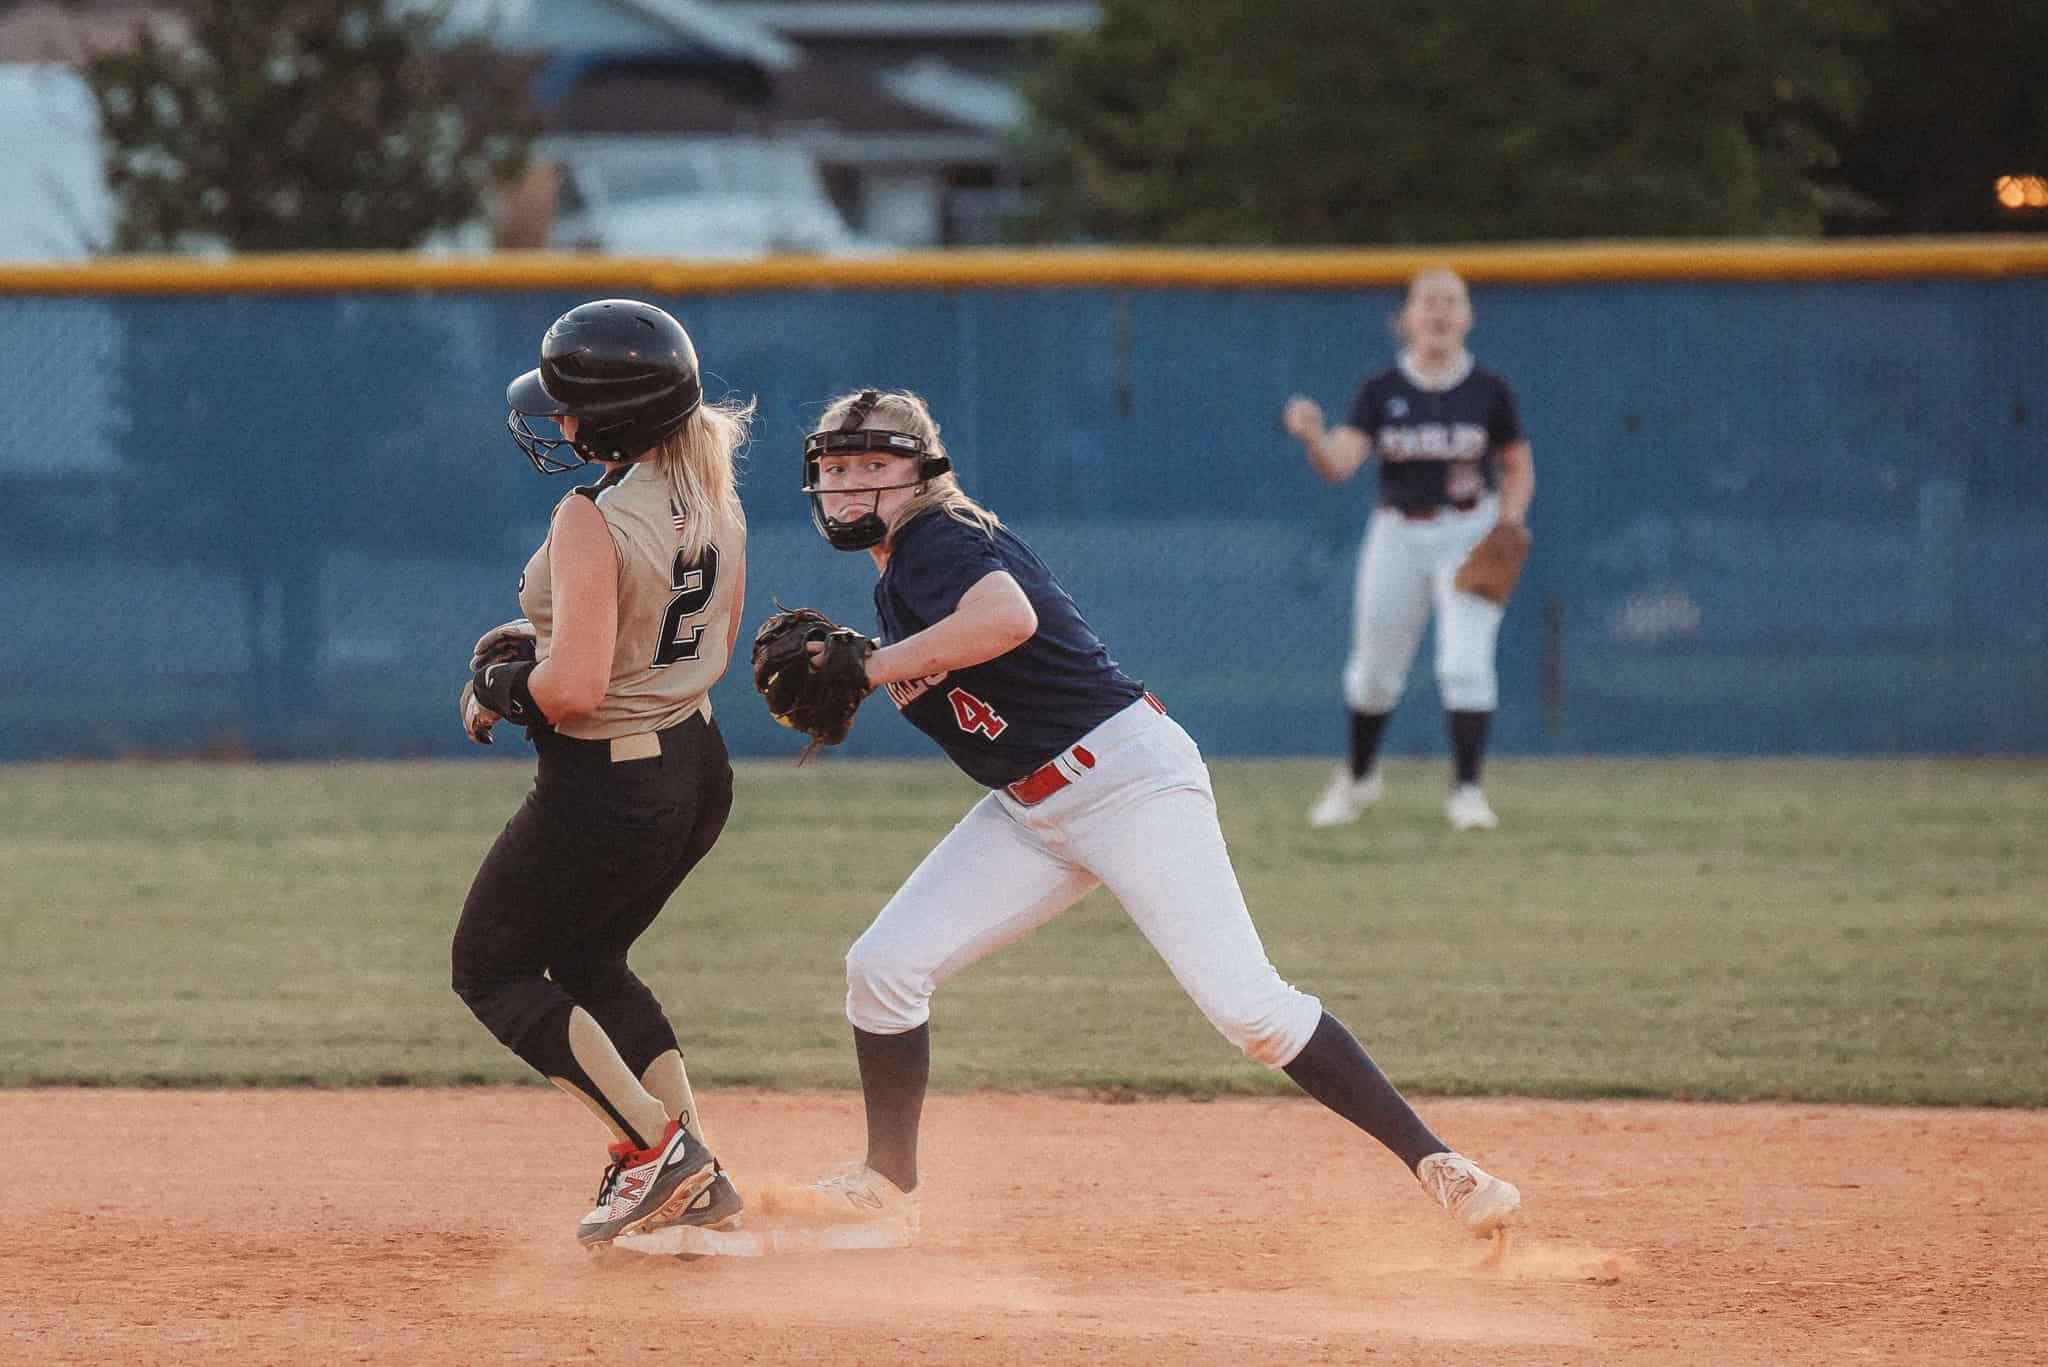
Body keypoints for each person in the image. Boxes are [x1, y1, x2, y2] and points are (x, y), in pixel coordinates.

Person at [787, 387, 1520, 1243]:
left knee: (1252, 1011)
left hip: (1129, 785)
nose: (853, 488)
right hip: (1031, 809)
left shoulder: (938, 539)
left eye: (877, 466)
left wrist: (870, 669)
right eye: (838, 470)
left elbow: (1005, 618)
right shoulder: (897, 586)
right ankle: (886, 1187)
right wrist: (865, 668)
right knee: (883, 967)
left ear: (924, 475)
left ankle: (1444, 1167)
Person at [450, 298, 753, 1248]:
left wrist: (506, 687)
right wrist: (536, 652)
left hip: (610, 785)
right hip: (695, 763)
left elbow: (575, 690)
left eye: (572, 405)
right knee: (587, 960)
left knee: (492, 968)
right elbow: (694, 641)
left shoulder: (591, 512)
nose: (560, 419)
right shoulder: (710, 489)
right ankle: (692, 1187)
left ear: (615, 417)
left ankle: (660, 1155)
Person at [1282, 266, 1535, 832]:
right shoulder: (1382, 390)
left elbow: (1516, 465)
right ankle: (1359, 776)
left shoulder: (1489, 390)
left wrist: (1509, 522)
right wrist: (1312, 438)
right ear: (1408, 317)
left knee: (1465, 666)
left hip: (1470, 531)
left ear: (1468, 317)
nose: (1440, 312)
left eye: (1452, 302)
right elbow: (1341, 465)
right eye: (1428, 302)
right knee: (1374, 674)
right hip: (1397, 533)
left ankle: (1467, 791)